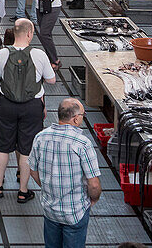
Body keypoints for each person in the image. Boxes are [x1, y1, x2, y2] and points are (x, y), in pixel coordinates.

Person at [0, 18, 57, 202]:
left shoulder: (2, 54)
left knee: (1, 147)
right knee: (26, 149)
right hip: (32, 107)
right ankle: (23, 191)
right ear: (30, 34)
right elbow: (51, 80)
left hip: (7, 104)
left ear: (15, 33)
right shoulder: (39, 54)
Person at [30, 99, 102, 248]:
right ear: (76, 118)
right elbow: (93, 184)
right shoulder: (82, 143)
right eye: (83, 114)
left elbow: (33, 170)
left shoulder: (41, 137)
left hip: (50, 210)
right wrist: (93, 199)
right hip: (75, 212)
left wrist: (47, 188)